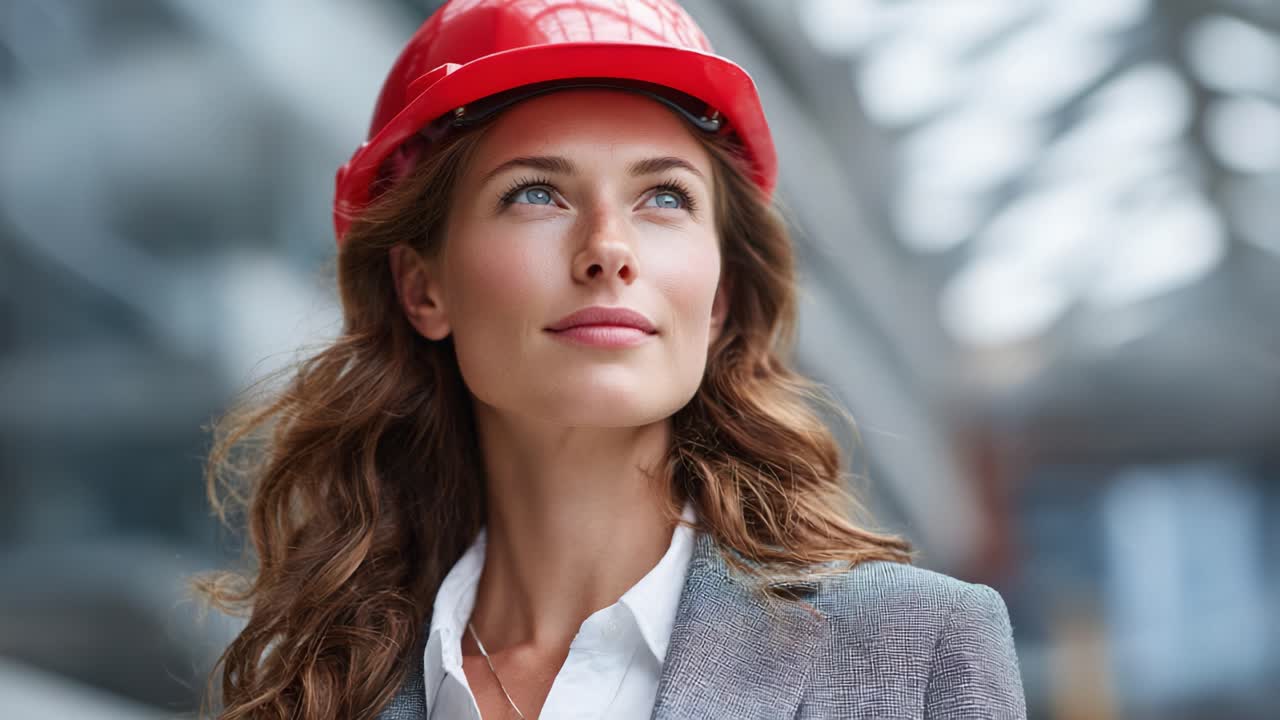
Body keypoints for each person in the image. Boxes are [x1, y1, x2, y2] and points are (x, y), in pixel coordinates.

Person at [194, 1, 1027, 718]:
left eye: (664, 197)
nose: (608, 251)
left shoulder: (916, 651)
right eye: (535, 193)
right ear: (423, 289)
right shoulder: (312, 687)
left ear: (720, 296)